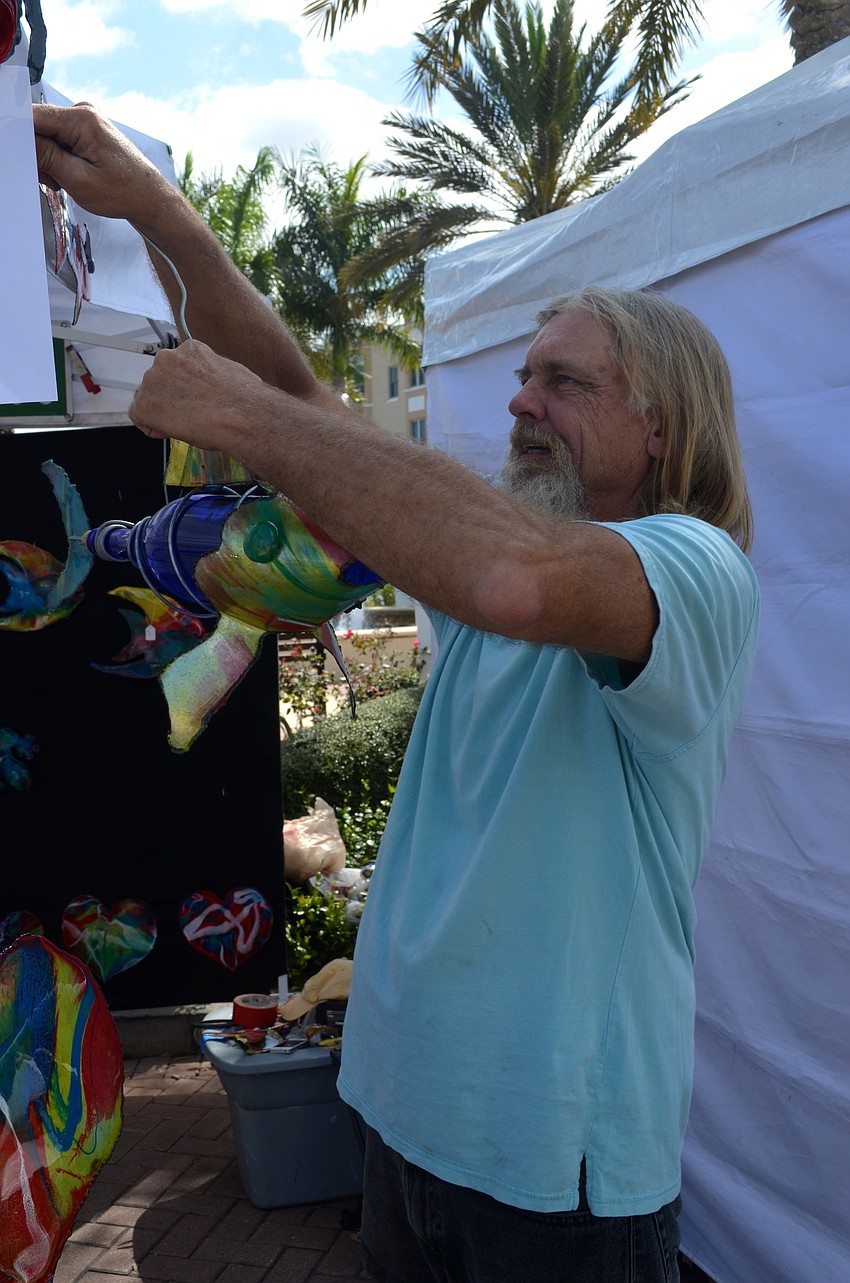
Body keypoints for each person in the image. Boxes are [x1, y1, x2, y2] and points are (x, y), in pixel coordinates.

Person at [33, 102, 760, 1283]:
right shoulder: (487, 548)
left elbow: (515, 576)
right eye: (522, 376)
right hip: (400, 1117)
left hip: (552, 1168)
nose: (521, 401)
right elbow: (314, 414)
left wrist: (243, 418)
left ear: (661, 424)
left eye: (564, 382)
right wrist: (161, 216)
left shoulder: (691, 569)